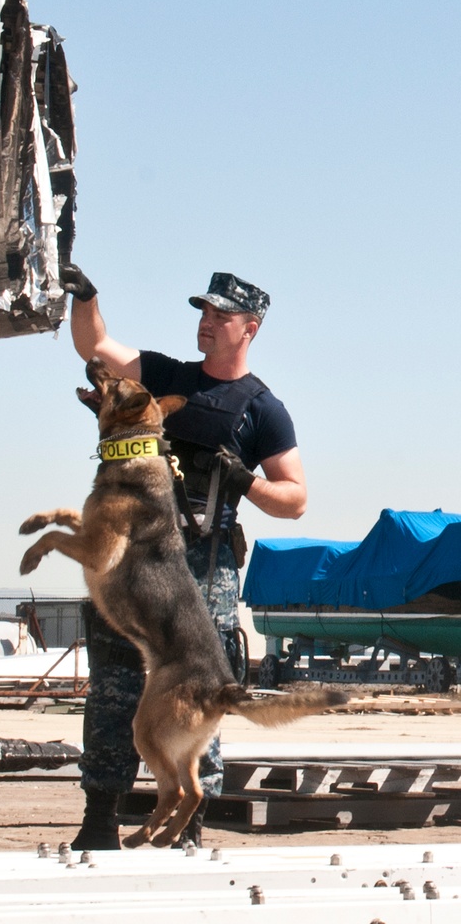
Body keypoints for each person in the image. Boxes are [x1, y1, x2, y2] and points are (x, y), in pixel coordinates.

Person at [59, 267, 307, 850]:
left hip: (203, 568)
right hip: (135, 561)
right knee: (114, 683)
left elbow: (295, 500)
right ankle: (100, 818)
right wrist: (86, 296)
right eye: (204, 312)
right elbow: (95, 345)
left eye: (222, 315)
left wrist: (244, 481)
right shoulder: (166, 377)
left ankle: (191, 825)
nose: (207, 322)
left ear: (250, 328)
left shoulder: (261, 409)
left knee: (200, 692)